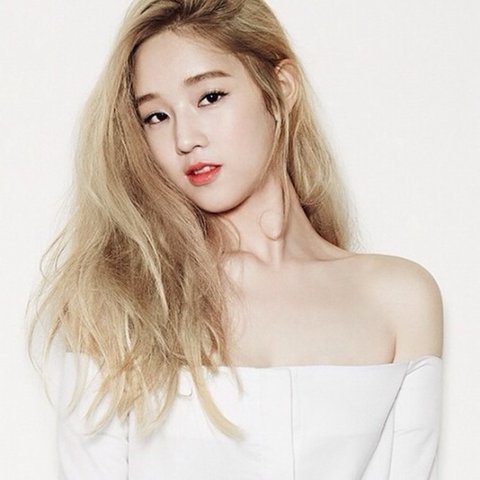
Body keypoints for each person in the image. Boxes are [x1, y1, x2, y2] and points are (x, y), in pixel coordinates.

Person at [29, 0, 443, 478]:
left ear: (280, 88)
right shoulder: (121, 301)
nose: (185, 138)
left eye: (209, 97)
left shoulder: (398, 300)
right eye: (156, 116)